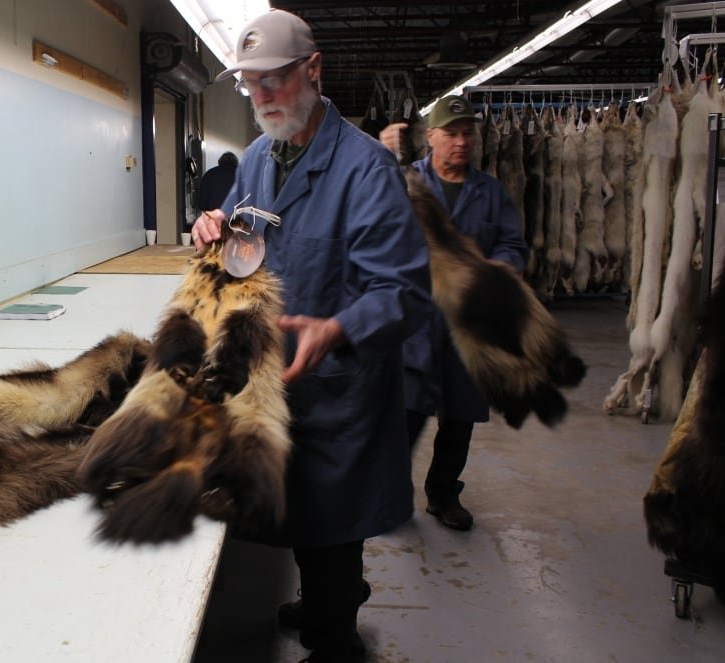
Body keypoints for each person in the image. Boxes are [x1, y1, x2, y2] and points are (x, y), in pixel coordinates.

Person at [192, 10, 431, 663]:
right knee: (304, 521)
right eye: (250, 85)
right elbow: (248, 237)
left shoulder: (367, 171)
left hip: (337, 394)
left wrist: (340, 326)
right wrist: (216, 227)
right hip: (278, 385)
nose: (263, 97)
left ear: (313, 70)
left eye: (274, 81)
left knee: (331, 531)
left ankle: (335, 639)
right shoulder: (262, 157)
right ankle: (325, 601)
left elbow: (405, 295)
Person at [379, 97, 528, 531]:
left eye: (468, 133)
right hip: (415, 321)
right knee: (404, 416)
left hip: (469, 325)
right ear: (431, 138)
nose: (462, 142)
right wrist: (380, 149)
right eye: (452, 133)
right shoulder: (404, 184)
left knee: (459, 418)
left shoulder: (491, 192)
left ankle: (443, 495)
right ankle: (391, 495)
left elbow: (512, 246)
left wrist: (499, 272)